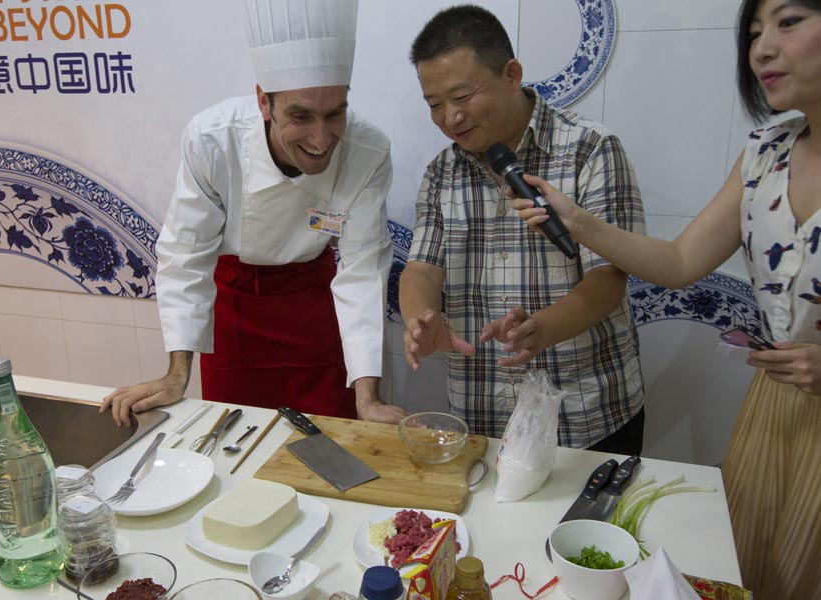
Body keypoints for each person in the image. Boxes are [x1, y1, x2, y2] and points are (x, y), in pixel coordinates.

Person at [514, 0, 821, 595]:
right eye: (754, 32)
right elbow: (680, 262)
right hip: (776, 408)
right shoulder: (767, 151)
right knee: (751, 572)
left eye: (788, 22)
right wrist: (579, 223)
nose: (761, 49)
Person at [101, 0, 408, 427]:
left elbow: (361, 270)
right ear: (264, 102)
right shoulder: (214, 141)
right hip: (236, 313)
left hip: (312, 313)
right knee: (234, 447)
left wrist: (368, 399)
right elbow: (186, 255)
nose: (322, 138)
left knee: (333, 442)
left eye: (334, 113)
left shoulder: (367, 151)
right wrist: (176, 376)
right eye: (300, 116)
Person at [398, 4, 646, 452]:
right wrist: (421, 317)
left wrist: (543, 328)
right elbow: (422, 268)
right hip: (480, 415)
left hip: (584, 413)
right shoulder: (442, 172)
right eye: (435, 104)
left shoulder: (590, 150)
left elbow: (609, 277)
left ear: (511, 74)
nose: (450, 118)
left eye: (462, 96)